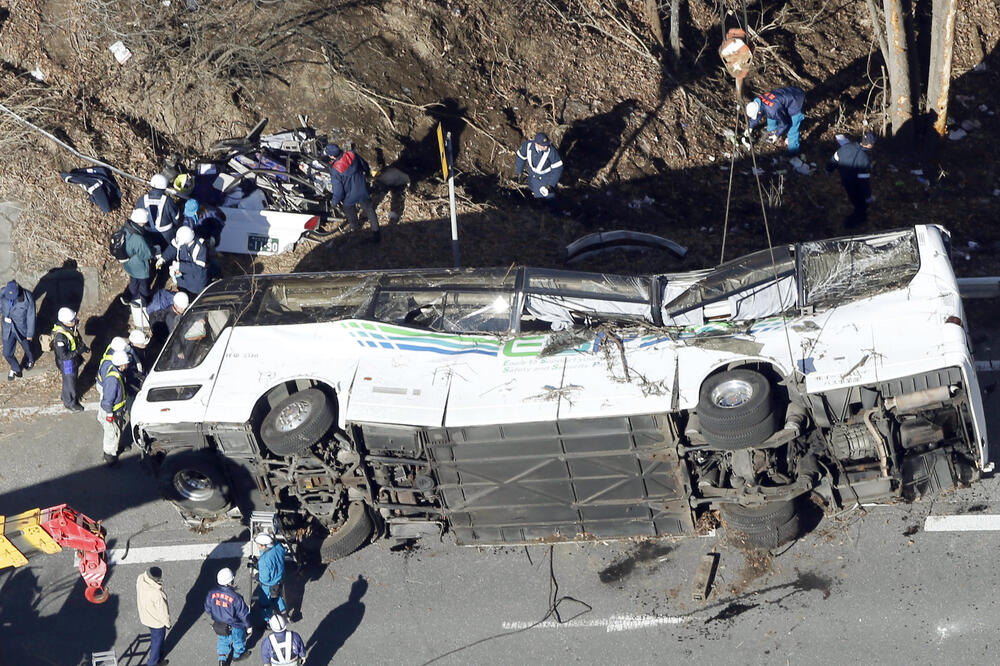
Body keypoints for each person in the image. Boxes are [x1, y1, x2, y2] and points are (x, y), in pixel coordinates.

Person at [326, 143, 380, 241]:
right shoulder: (352, 155)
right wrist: (367, 174)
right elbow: (365, 165)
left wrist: (334, 202)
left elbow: (338, 191)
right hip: (362, 189)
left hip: (349, 196)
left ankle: (355, 228)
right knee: (369, 210)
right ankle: (376, 233)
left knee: (350, 212)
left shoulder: (335, 170)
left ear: (332, 156)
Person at [827, 132, 875, 228]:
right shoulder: (863, 159)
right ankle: (852, 223)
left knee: (854, 199)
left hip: (845, 181)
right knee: (860, 205)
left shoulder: (846, 147)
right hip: (854, 184)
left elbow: (834, 159)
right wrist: (868, 196)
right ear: (869, 145)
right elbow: (864, 182)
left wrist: (828, 170)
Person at [204, 567, 251, 663]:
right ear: (230, 581)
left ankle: (222, 659)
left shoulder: (211, 593)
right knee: (239, 641)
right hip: (235, 624)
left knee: (222, 640)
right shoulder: (236, 598)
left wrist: (216, 615)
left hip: (219, 623)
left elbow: (207, 608)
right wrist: (248, 626)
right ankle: (237, 655)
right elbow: (243, 614)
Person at [746, 87, 806, 155]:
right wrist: (750, 127)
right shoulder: (758, 102)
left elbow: (784, 123)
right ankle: (772, 130)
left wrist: (776, 135)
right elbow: (759, 114)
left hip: (797, 100)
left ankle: (793, 152)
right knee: (770, 115)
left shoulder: (772, 110)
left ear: (758, 111)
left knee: (792, 127)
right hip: (790, 92)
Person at [515, 132, 564, 212]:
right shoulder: (528, 146)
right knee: (534, 198)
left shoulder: (551, 151)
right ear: (536, 144)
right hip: (532, 177)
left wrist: (550, 184)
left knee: (550, 199)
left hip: (546, 178)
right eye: (543, 145)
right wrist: (519, 172)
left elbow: (558, 168)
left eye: (547, 144)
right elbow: (520, 157)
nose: (546, 146)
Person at [98, 350, 130, 466]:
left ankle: (116, 448)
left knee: (117, 431)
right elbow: (108, 400)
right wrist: (109, 414)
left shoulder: (117, 373)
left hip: (117, 411)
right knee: (111, 434)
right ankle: (109, 456)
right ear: (121, 364)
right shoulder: (112, 380)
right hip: (112, 412)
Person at [52, 307, 87, 412]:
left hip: (73, 359)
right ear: (65, 322)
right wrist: (79, 351)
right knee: (69, 382)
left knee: (72, 379)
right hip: (67, 363)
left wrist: (83, 348)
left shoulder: (71, 329)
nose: (75, 321)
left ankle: (67, 395)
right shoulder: (60, 337)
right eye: (72, 320)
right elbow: (64, 356)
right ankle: (69, 402)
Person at [159, 225, 209, 296]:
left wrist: (179, 266)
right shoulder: (182, 240)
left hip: (195, 284)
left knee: (193, 299)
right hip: (182, 280)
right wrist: (163, 258)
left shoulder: (200, 248)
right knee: (182, 293)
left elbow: (199, 268)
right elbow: (173, 248)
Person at [136, 173, 180, 252]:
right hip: (167, 234)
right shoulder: (168, 201)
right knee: (168, 253)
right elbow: (176, 218)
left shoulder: (142, 199)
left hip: (148, 234)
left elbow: (136, 218)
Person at [136, 566, 170, 666]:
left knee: (155, 638)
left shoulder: (140, 579)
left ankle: (158, 656)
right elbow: (163, 612)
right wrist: (167, 624)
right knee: (157, 641)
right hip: (156, 622)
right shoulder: (157, 593)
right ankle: (153, 662)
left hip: (145, 615)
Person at [1, 280, 35, 381]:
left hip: (21, 328)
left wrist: (30, 333)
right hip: (8, 328)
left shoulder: (27, 298)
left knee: (27, 347)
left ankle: (30, 359)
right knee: (6, 353)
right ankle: (15, 368)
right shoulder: (3, 293)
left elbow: (31, 316)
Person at [121, 208, 154, 307]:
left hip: (128, 263)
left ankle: (130, 296)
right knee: (144, 285)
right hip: (139, 267)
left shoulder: (125, 228)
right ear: (142, 222)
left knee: (133, 281)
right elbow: (146, 254)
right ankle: (145, 301)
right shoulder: (138, 239)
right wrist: (155, 250)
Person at [254, 533, 287, 622]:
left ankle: (268, 621)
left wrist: (257, 574)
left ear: (264, 546)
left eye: (258, 545)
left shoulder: (263, 561)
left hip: (268, 585)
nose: (257, 546)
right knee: (278, 596)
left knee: (265, 604)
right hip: (279, 578)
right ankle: (283, 613)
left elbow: (264, 579)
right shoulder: (279, 546)